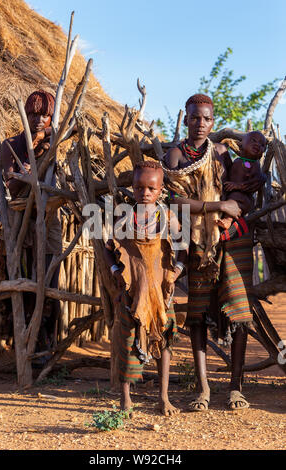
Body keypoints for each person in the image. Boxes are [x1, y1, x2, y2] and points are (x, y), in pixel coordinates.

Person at [162, 93, 254, 411]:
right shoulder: (174, 157)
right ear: (185, 118)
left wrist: (230, 212)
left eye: (206, 118)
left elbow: (235, 190)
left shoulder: (221, 153)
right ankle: (203, 389)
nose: (200, 123)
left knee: (240, 312)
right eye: (194, 117)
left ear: (213, 121)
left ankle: (235, 388)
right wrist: (216, 206)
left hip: (229, 238)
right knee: (197, 316)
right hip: (198, 242)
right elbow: (174, 201)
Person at [104, 160, 188, 417]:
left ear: (161, 189)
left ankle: (163, 397)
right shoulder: (124, 216)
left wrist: (176, 272)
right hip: (132, 290)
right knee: (126, 341)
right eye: (139, 188)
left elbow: (184, 249)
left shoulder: (168, 217)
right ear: (132, 188)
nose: (145, 193)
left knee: (164, 341)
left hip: (162, 291)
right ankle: (125, 399)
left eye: (151, 188)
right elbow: (110, 249)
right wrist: (117, 271)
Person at [1, 90, 62, 355]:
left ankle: (47, 344)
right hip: (19, 224)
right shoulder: (11, 145)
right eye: (34, 114)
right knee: (24, 283)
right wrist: (31, 147)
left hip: (48, 223)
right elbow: (12, 185)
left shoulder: (57, 142)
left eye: (45, 115)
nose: (39, 120)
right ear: (25, 115)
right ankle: (22, 344)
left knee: (49, 283)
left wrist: (45, 144)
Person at [218, 130, 267, 240]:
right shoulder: (238, 161)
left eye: (262, 145)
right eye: (253, 140)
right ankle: (229, 231)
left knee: (235, 199)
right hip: (232, 195)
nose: (257, 145)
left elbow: (255, 182)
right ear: (241, 144)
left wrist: (238, 186)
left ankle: (228, 220)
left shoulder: (255, 165)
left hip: (243, 199)